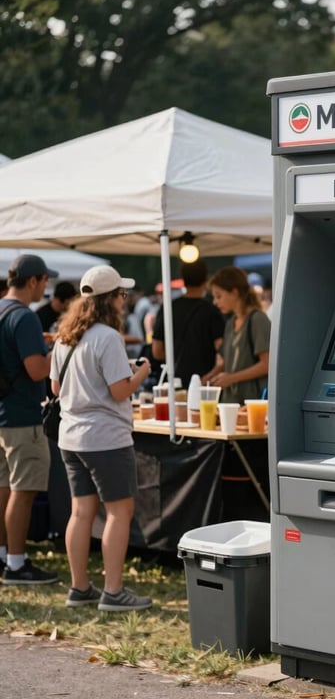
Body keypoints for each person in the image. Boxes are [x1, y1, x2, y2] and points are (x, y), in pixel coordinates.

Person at [50, 265, 152, 611]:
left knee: (80, 513)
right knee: (119, 513)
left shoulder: (66, 336)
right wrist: (141, 373)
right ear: (112, 298)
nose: (125, 300)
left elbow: (56, 387)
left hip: (71, 436)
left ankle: (80, 588)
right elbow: (120, 391)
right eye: (122, 294)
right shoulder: (108, 337)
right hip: (105, 437)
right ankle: (113, 591)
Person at [0, 254, 59, 584]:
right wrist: (58, 350)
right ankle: (17, 564)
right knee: (23, 491)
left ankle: (4, 555)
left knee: (3, 488)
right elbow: (37, 370)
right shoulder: (25, 316)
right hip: (22, 415)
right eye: (45, 281)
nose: (45, 288)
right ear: (34, 280)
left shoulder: (2, 309)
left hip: (3, 413)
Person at [151, 260, 224, 388]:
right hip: (206, 383)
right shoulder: (212, 311)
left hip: (174, 381)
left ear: (183, 280)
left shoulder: (168, 308)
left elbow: (157, 351)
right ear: (205, 281)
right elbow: (222, 350)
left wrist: (176, 356)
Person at [208, 266, 270, 403]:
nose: (215, 302)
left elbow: (267, 364)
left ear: (234, 292)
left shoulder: (257, 320)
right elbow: (229, 363)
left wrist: (231, 378)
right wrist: (210, 376)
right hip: (230, 403)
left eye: (219, 296)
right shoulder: (231, 323)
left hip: (251, 404)